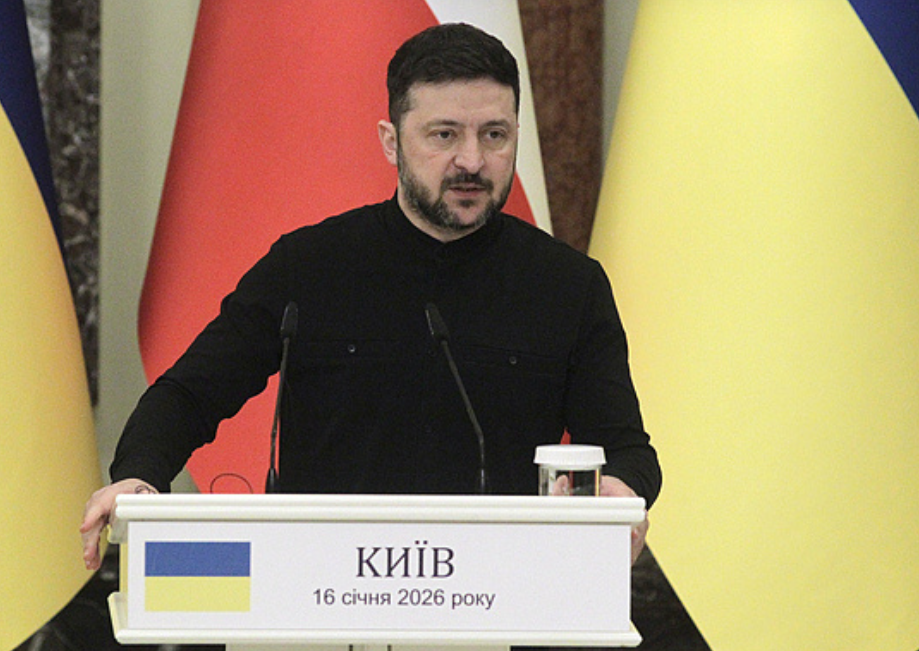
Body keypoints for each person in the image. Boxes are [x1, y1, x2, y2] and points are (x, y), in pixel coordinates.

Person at [81, 22, 660, 571]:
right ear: (391, 141)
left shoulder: (569, 285)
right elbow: (189, 394)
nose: (471, 161)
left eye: (494, 135)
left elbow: (627, 448)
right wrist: (138, 475)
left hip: (501, 591)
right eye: (443, 135)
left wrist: (621, 490)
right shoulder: (308, 266)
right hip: (322, 587)